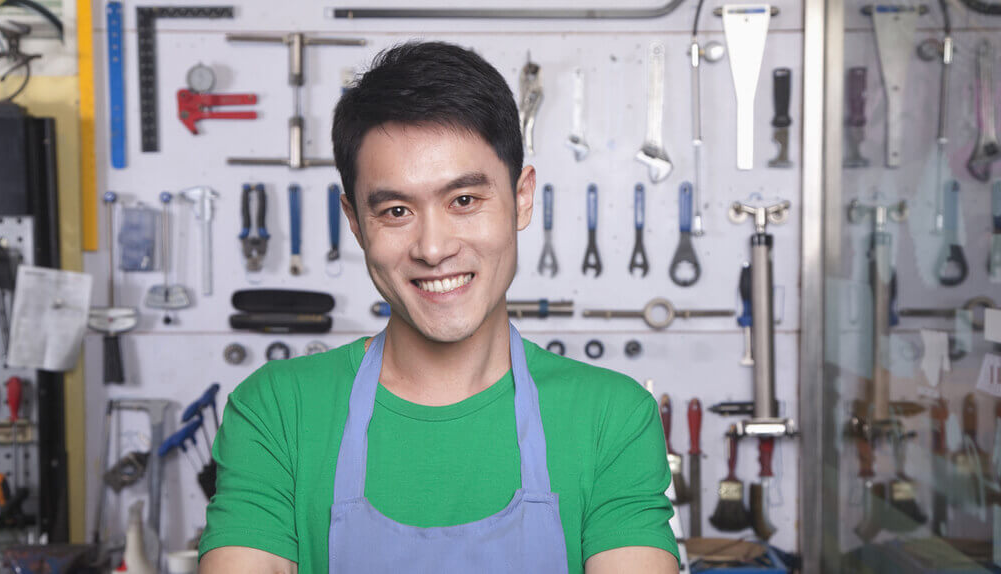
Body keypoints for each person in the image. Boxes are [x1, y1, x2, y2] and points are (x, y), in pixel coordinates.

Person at [198, 41, 679, 573]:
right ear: (355, 222)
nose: (433, 248)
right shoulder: (276, 413)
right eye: (397, 210)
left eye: (464, 201)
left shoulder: (611, 419)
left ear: (522, 198)